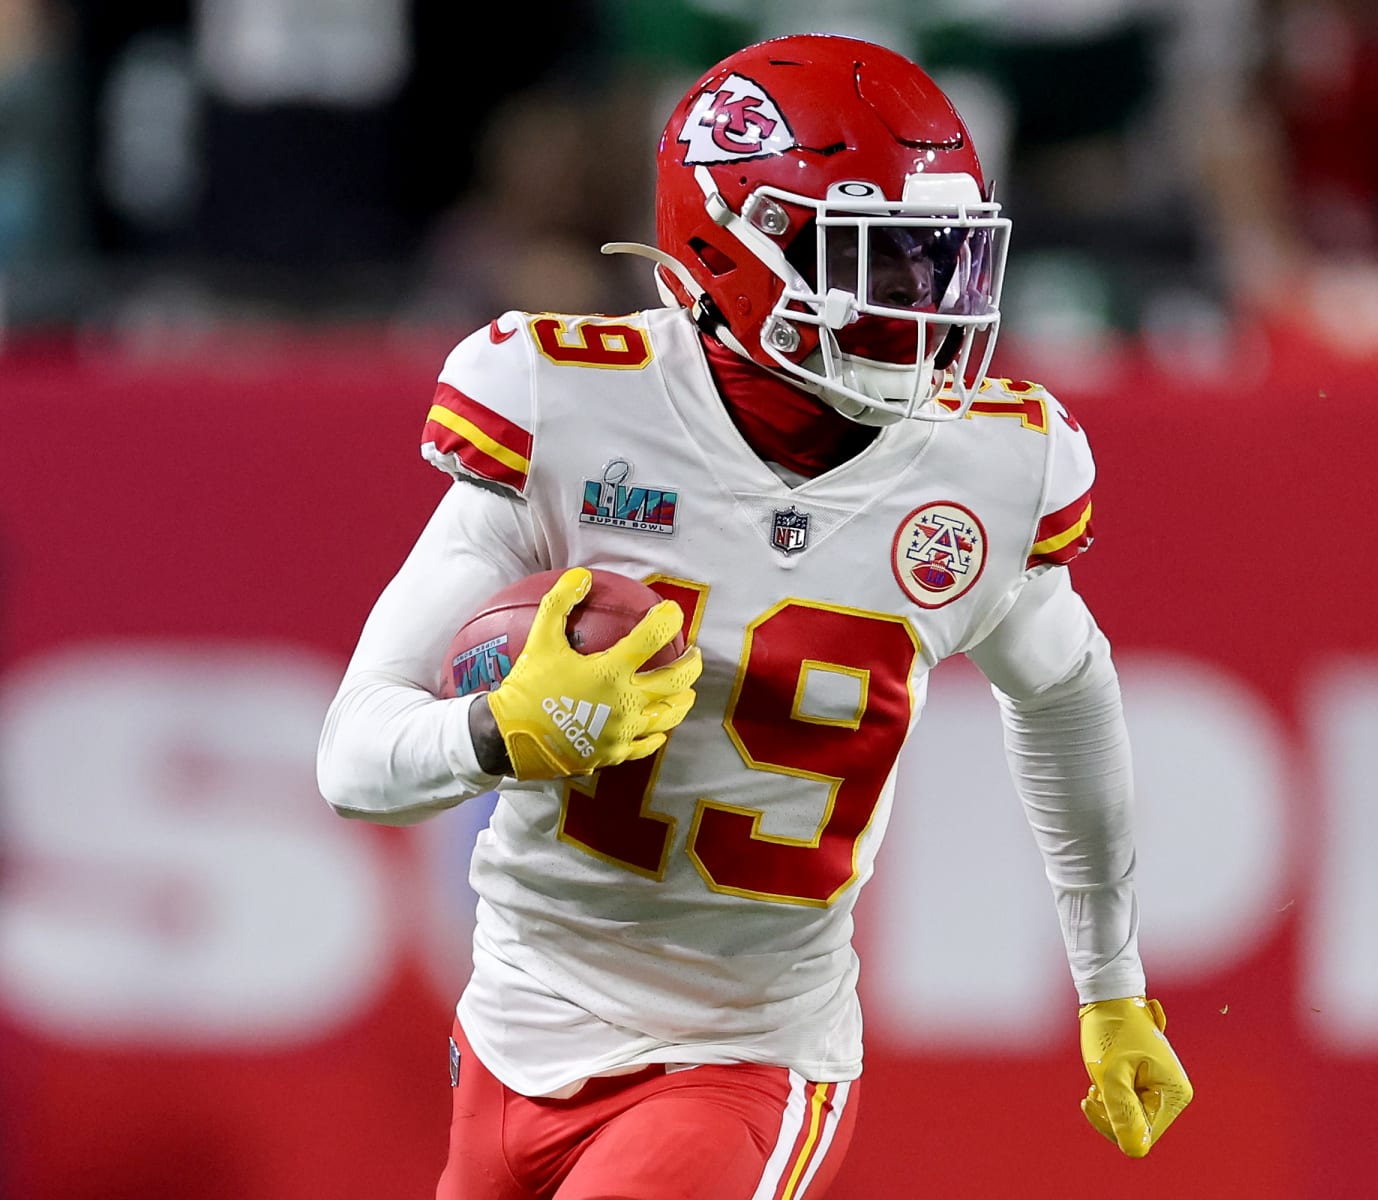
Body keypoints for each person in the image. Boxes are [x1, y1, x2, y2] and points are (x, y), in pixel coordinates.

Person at [317, 34, 1192, 1200]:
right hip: (512, 1025)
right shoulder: (568, 405)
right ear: (733, 248)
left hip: (748, 1053)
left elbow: (1068, 695)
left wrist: (1112, 981)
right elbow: (351, 756)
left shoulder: (984, 469)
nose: (924, 308)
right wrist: (502, 731)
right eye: (877, 263)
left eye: (939, 261)